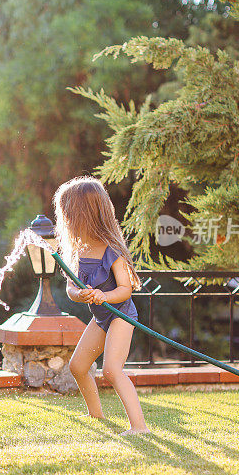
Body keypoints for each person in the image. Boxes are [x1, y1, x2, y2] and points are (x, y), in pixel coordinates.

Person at [53, 176, 149, 435]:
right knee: (78, 366)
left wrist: (104, 296)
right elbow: (71, 287)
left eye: (69, 214)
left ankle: (139, 427)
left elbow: (125, 289)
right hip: (101, 318)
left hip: (121, 316)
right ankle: (96, 415)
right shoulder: (78, 250)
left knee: (111, 369)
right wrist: (79, 295)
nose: (67, 221)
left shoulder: (112, 250)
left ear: (85, 215)